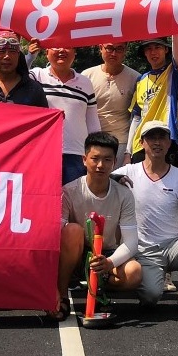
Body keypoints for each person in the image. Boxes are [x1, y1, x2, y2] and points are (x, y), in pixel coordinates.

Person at [113, 120, 178, 317]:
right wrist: (114, 180)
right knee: (151, 297)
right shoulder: (128, 171)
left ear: (169, 143)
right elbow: (98, 176)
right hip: (144, 250)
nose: (157, 142)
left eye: (162, 138)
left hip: (173, 245)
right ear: (142, 143)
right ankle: (152, 277)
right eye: (151, 138)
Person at [53, 132, 144, 321]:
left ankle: (99, 287)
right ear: (84, 160)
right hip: (77, 255)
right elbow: (54, 235)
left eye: (107, 159)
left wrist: (109, 262)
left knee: (134, 273)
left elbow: (131, 242)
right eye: (95, 158)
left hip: (107, 254)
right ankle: (61, 294)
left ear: (114, 162)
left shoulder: (124, 195)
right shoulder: (68, 191)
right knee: (72, 230)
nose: (101, 165)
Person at [28, 46, 102, 184]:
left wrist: (97, 152)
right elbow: (14, 76)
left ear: (75, 52)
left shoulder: (85, 83)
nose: (61, 50)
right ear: (46, 52)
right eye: (56, 46)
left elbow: (92, 123)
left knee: (73, 196)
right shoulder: (36, 76)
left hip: (76, 155)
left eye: (67, 46)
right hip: (42, 152)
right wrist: (30, 56)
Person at [126, 37, 178, 164]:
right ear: (145, 53)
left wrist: (177, 29)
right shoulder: (141, 79)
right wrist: (128, 152)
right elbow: (136, 118)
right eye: (149, 49)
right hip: (140, 144)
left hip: (166, 140)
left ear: (166, 50)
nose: (153, 52)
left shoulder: (173, 73)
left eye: (157, 47)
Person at [83, 42, 140, 165]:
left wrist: (129, 152)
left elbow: (137, 116)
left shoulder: (136, 78)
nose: (114, 53)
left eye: (119, 49)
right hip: (91, 141)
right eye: (109, 48)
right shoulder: (86, 76)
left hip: (121, 143)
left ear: (125, 50)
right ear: (100, 48)